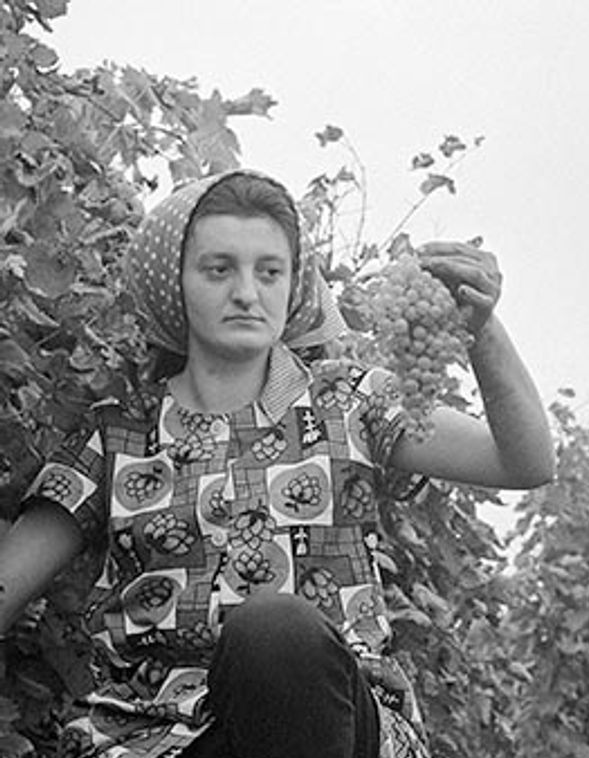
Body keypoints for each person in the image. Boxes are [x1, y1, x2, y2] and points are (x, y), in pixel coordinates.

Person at [0, 170, 554, 758]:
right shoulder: (117, 435)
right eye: (219, 269)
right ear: (174, 285)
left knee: (276, 636)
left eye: (270, 271)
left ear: (292, 288)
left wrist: (482, 332)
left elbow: (523, 462)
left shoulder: (350, 402)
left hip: (332, 728)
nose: (247, 292)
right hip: (161, 736)